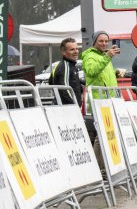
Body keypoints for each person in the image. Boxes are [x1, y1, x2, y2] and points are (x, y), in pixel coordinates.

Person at [81, 30, 120, 174]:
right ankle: (99, 169)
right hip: (98, 100)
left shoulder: (104, 56)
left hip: (109, 99)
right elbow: (91, 71)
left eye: (106, 41)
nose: (104, 44)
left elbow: (103, 75)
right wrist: (108, 57)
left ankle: (108, 165)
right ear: (95, 42)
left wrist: (115, 73)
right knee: (100, 135)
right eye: (101, 41)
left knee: (108, 133)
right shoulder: (90, 55)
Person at [48, 37, 82, 106]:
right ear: (64, 52)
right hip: (67, 109)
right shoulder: (65, 66)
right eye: (72, 49)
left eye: (77, 49)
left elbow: (50, 81)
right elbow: (65, 89)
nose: (76, 52)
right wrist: (74, 105)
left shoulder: (71, 66)